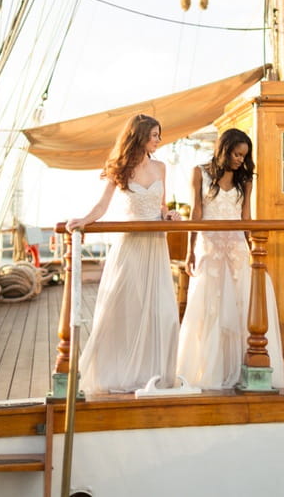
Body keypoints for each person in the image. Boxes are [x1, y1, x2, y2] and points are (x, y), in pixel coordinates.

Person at [67, 113, 181, 394]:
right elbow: (102, 206)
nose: (158, 140)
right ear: (140, 136)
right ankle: (118, 372)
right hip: (130, 247)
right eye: (154, 135)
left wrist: (170, 215)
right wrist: (83, 220)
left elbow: (162, 206)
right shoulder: (119, 169)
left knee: (162, 312)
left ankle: (152, 374)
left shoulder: (161, 168)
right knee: (126, 310)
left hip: (155, 245)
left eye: (158, 135)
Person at [176, 128, 284, 390]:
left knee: (239, 307)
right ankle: (208, 370)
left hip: (237, 247)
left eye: (244, 155)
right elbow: (197, 212)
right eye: (237, 154)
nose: (240, 159)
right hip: (209, 246)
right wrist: (190, 250)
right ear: (224, 149)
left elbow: (245, 217)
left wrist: (255, 251)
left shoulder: (245, 179)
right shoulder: (199, 173)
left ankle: (239, 369)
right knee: (209, 307)